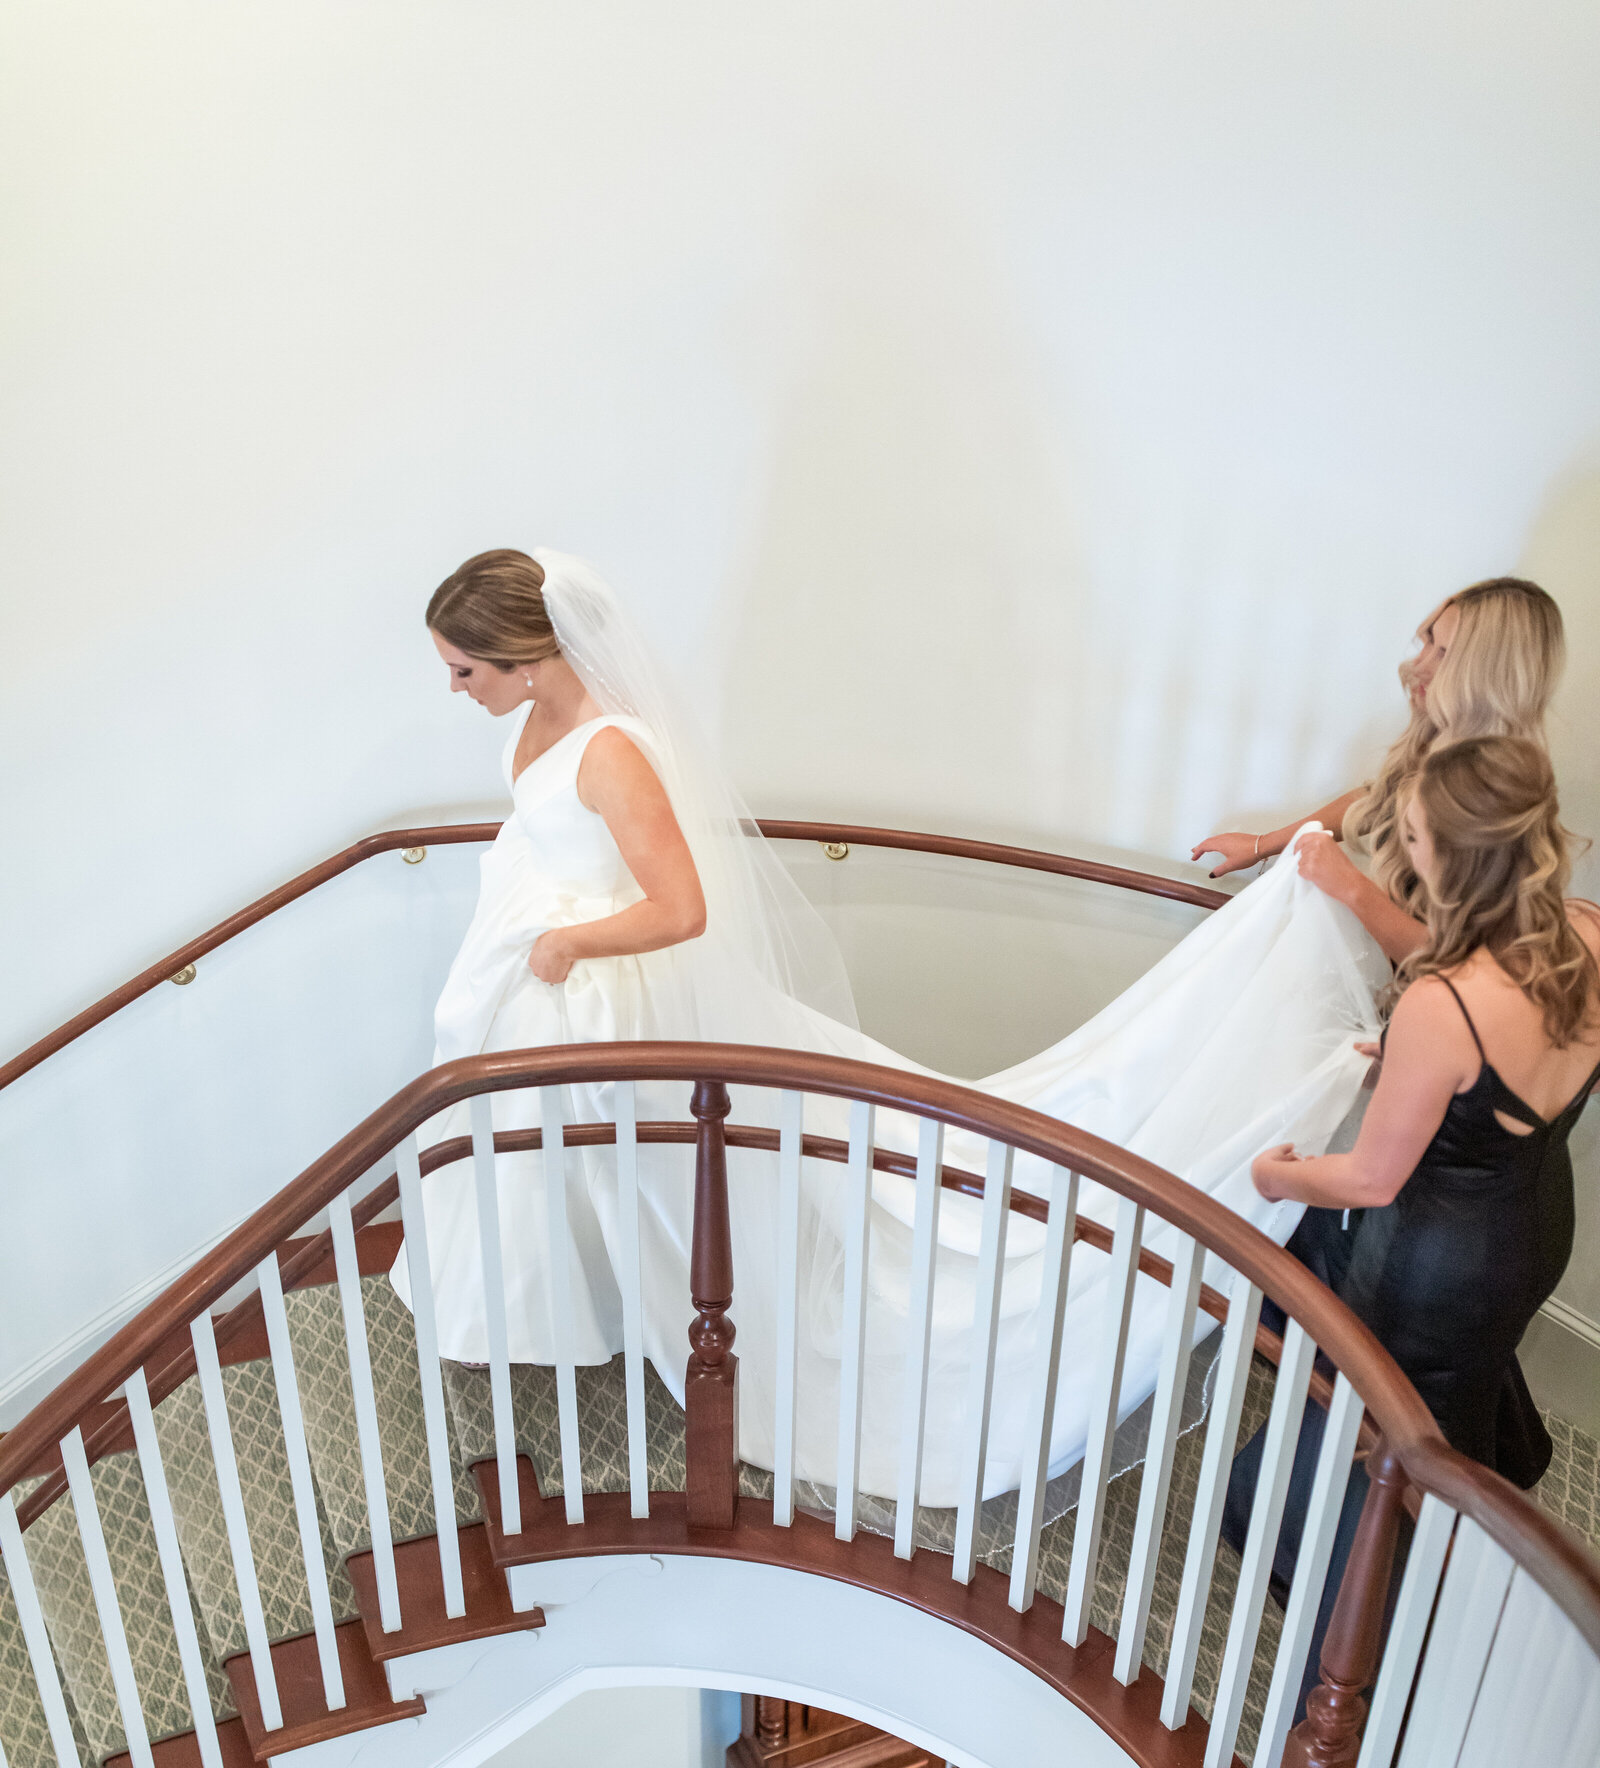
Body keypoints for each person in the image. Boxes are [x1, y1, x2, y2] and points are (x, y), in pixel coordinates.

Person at [394, 547, 1388, 1514]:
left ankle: (675, 1324)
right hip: (543, 977)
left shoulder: (611, 754)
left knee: (651, 1176)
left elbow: (682, 907)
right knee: (555, 1170)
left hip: (604, 987)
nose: (454, 689)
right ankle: (582, 1312)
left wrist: (570, 943)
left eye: (463, 670)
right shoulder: (536, 714)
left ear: (527, 657)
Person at [1227, 735, 1600, 1708]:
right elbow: (1516, 1077)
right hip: (1527, 1223)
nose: (1407, 844)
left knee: (1378, 1413)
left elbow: (1368, 1182)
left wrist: (1278, 1173)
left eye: (1419, 834)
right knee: (1447, 1390)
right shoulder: (1585, 932)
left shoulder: (1444, 1003)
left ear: (1457, 858)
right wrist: (1421, 1074)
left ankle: (1361, 1637)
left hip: (1430, 1257)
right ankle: (1458, 1489)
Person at [1192, 578, 1566, 964]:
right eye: (1426, 643)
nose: (1417, 667)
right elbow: (1382, 798)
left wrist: (1350, 886)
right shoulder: (1441, 743)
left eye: (1443, 655)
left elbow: (1456, 970)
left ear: (1488, 675)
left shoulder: (1494, 790)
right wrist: (1262, 844)